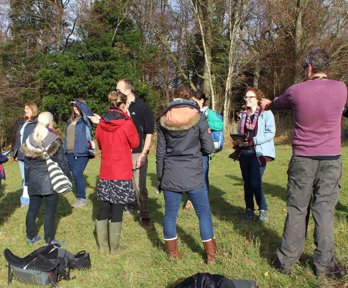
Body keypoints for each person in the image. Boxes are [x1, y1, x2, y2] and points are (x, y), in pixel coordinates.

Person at [262, 48, 347, 276]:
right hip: (331, 159)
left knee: (298, 209)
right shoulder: (341, 89)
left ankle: (285, 262)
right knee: (325, 211)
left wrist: (267, 104)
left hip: (303, 159)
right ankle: (324, 265)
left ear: (309, 67)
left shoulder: (296, 91)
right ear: (326, 67)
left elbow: (276, 104)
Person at [156, 86, 216, 264]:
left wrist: (160, 178)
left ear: (174, 98)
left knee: (170, 214)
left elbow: (160, 154)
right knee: (203, 213)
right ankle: (211, 256)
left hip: (171, 173)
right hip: (193, 174)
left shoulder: (163, 119)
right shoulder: (199, 117)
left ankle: (173, 254)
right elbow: (209, 148)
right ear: (190, 98)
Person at [94, 90, 139, 253]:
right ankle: (115, 247)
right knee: (118, 208)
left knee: (104, 207)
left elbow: (99, 144)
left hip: (106, 170)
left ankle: (103, 247)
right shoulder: (127, 123)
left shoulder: (101, 123)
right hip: (121, 171)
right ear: (121, 105)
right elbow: (135, 142)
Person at [21, 111, 70, 245]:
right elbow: (62, 162)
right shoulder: (55, 140)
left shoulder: (29, 140)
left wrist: (27, 181)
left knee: (32, 209)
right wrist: (67, 177)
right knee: (49, 212)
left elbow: (26, 164)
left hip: (33, 180)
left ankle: (30, 237)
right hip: (50, 180)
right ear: (50, 123)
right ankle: (49, 240)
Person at [231, 87, 275, 222]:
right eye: (246, 97)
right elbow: (240, 131)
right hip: (244, 153)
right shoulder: (243, 114)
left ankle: (263, 209)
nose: (248, 99)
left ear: (258, 99)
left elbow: (270, 133)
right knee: (247, 183)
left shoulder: (266, 114)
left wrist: (252, 141)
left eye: (251, 97)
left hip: (259, 153)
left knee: (255, 183)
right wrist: (238, 141)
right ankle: (249, 210)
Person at [116, 79, 155, 229]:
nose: (116, 92)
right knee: (124, 184)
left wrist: (143, 154)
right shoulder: (117, 108)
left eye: (118, 90)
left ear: (128, 91)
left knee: (140, 187)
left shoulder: (143, 107)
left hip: (137, 153)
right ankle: (127, 207)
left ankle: (144, 216)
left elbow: (149, 133)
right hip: (122, 153)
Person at [64, 99, 94, 208]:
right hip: (70, 152)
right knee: (74, 175)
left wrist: (78, 102)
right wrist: (64, 151)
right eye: (74, 107)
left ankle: (82, 198)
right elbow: (66, 137)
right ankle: (79, 196)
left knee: (77, 173)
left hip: (82, 152)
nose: (75, 108)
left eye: (77, 107)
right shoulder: (70, 120)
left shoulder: (86, 119)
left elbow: (88, 112)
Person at [13, 101, 39, 206]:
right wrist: (15, 153)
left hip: (31, 154)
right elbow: (18, 138)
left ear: (33, 110)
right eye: (25, 108)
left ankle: (26, 199)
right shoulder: (23, 122)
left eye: (27, 108)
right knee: (24, 178)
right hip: (21, 154)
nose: (25, 110)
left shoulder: (37, 123)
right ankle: (26, 198)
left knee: (29, 178)